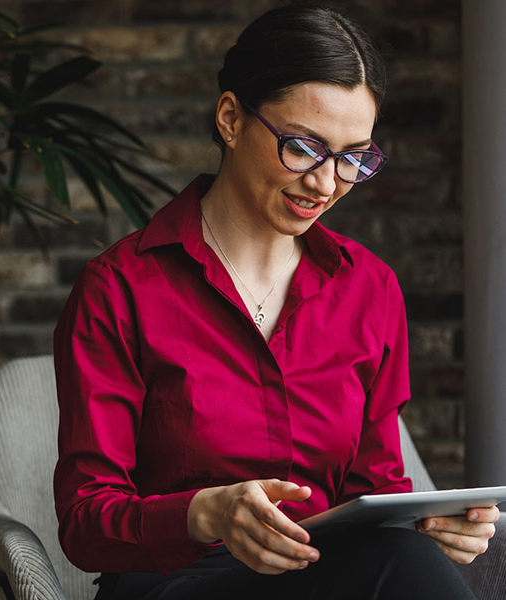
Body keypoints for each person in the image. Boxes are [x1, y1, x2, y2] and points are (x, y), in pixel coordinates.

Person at [53, 6, 499, 599]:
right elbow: (85, 524)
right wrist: (203, 514)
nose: (325, 183)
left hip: (326, 572)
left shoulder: (370, 289)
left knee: (410, 553)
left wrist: (430, 527)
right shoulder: (120, 288)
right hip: (177, 583)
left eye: (352, 157)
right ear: (231, 118)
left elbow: (377, 487)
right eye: (304, 147)